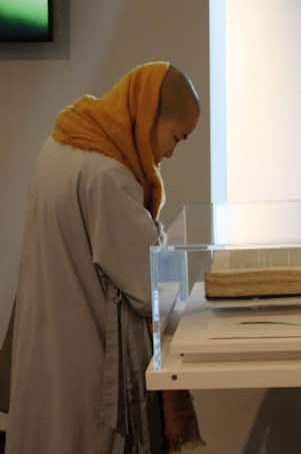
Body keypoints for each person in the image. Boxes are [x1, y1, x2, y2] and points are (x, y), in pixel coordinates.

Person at [11, 62, 204, 452]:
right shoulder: (107, 178)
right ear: (151, 114)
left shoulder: (63, 142)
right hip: (84, 363)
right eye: (176, 137)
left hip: (44, 351)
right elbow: (150, 286)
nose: (170, 152)